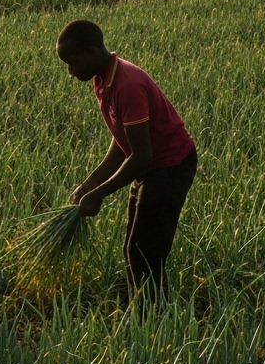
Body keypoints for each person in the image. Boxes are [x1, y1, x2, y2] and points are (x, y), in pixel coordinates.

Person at [56, 19, 197, 300]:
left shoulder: (127, 85)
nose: (70, 72)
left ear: (92, 52)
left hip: (170, 165)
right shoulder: (102, 78)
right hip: (150, 165)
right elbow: (123, 143)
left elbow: (141, 156)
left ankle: (154, 318)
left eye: (72, 62)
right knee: (136, 248)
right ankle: (149, 312)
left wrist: (99, 195)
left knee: (144, 250)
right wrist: (89, 184)